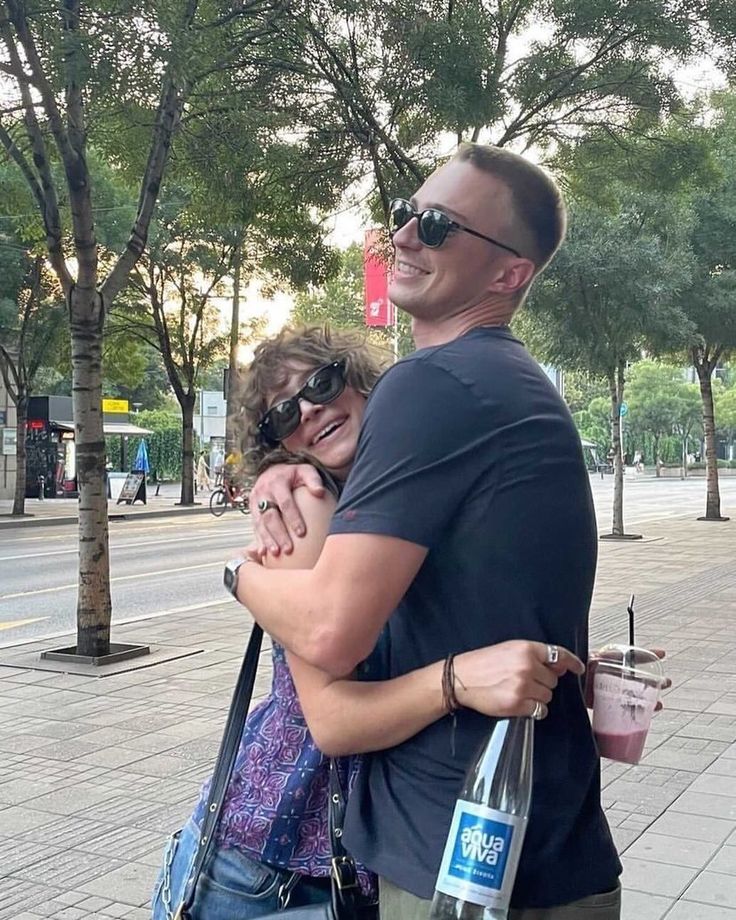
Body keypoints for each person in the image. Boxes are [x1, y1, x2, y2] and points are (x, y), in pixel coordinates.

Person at [236, 143, 623, 919]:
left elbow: (330, 633)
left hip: (463, 859)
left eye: (440, 225)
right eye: (406, 216)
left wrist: (238, 576)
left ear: (510, 272)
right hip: (549, 845)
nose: (406, 237)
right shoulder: (515, 388)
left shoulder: (433, 384)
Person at [151, 325, 582, 919]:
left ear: (361, 380)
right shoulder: (301, 505)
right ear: (279, 445)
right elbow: (332, 719)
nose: (309, 412)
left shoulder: (403, 493)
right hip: (278, 864)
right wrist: (236, 573)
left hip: (372, 852)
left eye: (321, 384)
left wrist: (561, 669)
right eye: (282, 416)